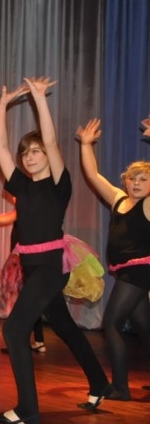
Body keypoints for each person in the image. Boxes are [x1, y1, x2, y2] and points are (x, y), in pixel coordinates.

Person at [0, 77, 111, 424]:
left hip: (51, 266)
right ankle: (99, 382)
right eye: (25, 152)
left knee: (14, 331)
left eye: (36, 151)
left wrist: (40, 99)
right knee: (63, 324)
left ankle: (27, 409)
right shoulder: (20, 185)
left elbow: (53, 140)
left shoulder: (59, 184)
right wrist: (2, 105)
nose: (29, 157)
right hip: (31, 265)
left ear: (47, 155)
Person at [77, 118, 150, 401]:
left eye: (144, 179)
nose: (137, 183)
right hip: (126, 272)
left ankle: (120, 388)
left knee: (111, 323)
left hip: (140, 270)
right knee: (144, 328)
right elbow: (93, 175)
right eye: (133, 178)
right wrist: (86, 145)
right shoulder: (119, 199)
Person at [0, 203, 47, 353]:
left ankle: (21, 342)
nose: (13, 197)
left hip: (24, 259)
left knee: (21, 300)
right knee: (29, 300)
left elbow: (7, 217)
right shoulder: (31, 207)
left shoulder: (26, 206)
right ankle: (38, 340)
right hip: (27, 258)